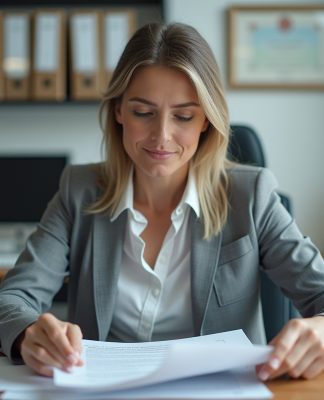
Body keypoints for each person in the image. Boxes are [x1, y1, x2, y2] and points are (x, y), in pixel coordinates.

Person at [0, 22, 324, 382]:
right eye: (143, 112)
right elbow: (12, 299)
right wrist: (29, 335)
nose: (161, 137)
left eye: (183, 116)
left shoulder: (252, 195)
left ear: (206, 121)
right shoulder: (79, 191)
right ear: (118, 110)